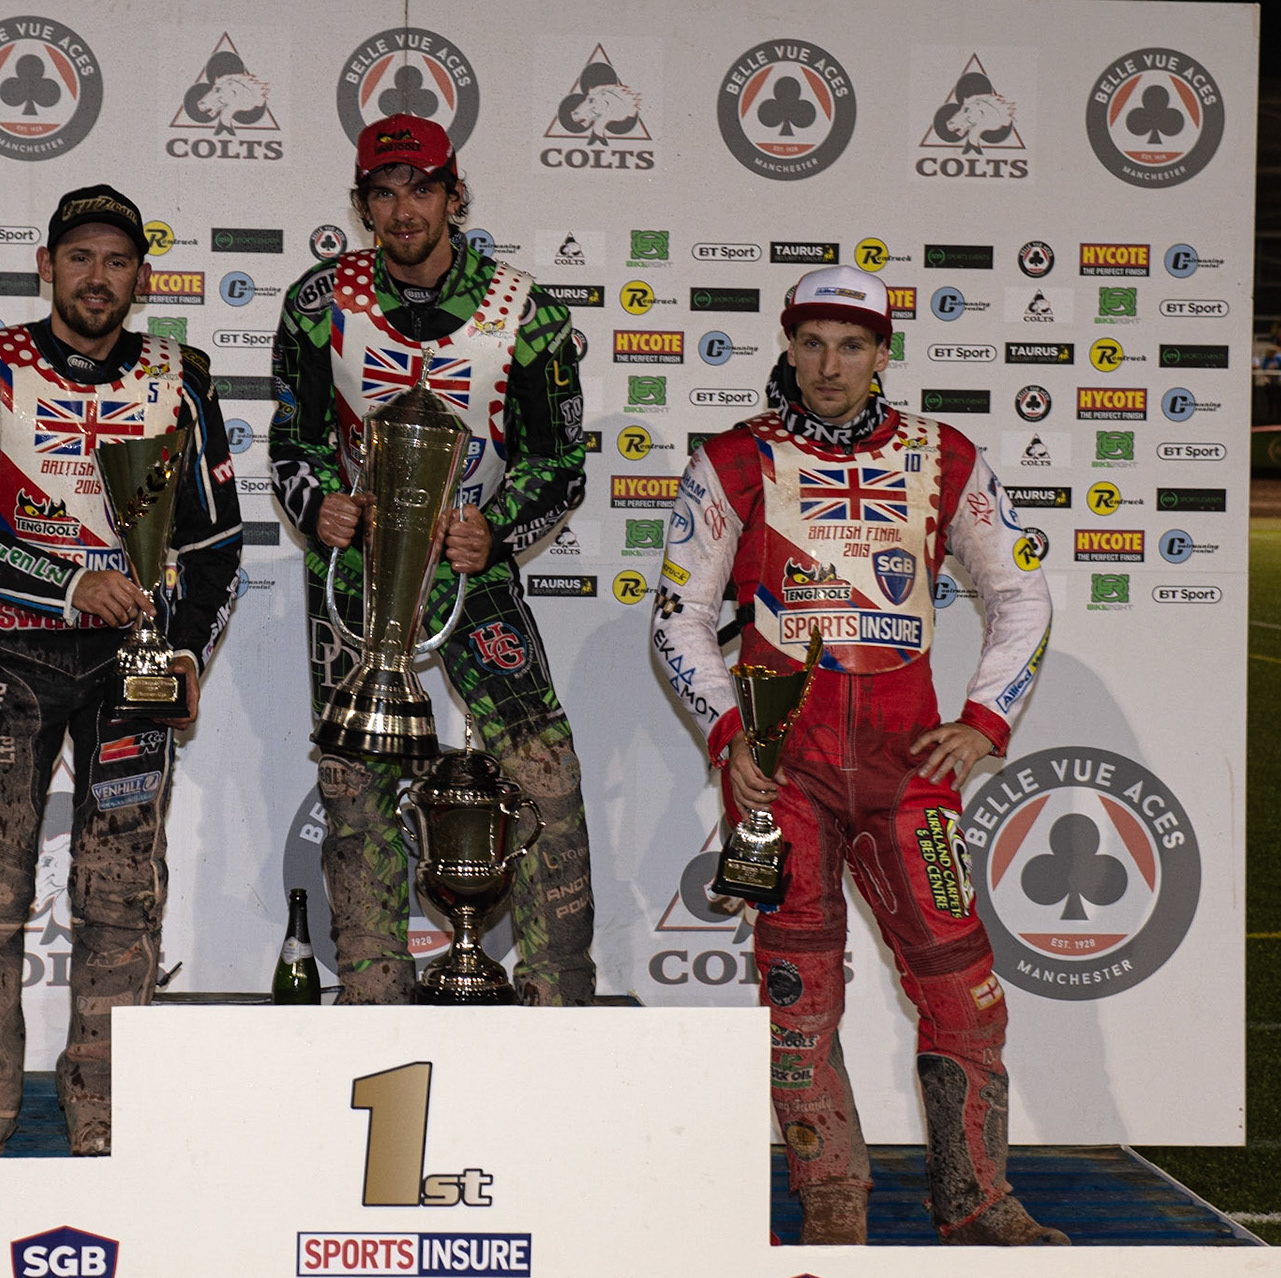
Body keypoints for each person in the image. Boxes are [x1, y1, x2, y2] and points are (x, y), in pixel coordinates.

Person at [650, 265, 1060, 1245]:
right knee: (798, 998)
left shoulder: (942, 455)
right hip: (782, 781)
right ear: (788, 347)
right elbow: (678, 617)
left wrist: (985, 721)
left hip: (908, 776)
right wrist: (728, 733)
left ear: (882, 354)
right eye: (812, 343)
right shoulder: (733, 460)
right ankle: (832, 1199)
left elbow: (1023, 595)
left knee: (965, 992)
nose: (829, 365)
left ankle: (975, 1201)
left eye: (852, 345)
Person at [0, 184, 242, 1157]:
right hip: (17, 657)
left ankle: (105, 1115)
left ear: (142, 278)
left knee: (121, 894)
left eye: (118, 261)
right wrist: (68, 585)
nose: (98, 277)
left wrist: (186, 650)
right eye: (81, 257)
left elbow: (214, 543)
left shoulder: (182, 379)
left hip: (134, 671)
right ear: (47, 266)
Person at [269, 114, 596, 1006]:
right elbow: (293, 443)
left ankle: (560, 998)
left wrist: (496, 529)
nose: (402, 209)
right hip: (357, 578)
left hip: (468, 568)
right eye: (382, 192)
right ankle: (373, 994)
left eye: (420, 189)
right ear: (361, 204)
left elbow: (559, 463)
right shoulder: (318, 303)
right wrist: (319, 506)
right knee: (354, 785)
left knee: (544, 774)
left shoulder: (526, 311)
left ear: (456, 196)